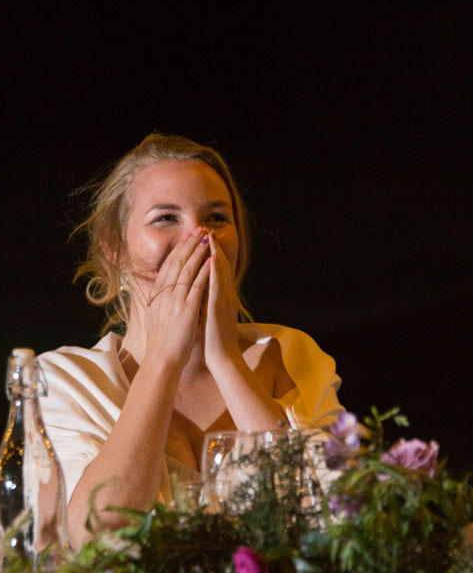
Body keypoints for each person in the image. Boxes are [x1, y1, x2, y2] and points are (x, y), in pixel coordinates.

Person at [37, 133, 343, 542]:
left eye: (216, 218)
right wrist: (164, 359)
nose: (199, 237)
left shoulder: (291, 354)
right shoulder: (66, 380)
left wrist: (227, 362)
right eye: (166, 218)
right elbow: (99, 535)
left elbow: (337, 524)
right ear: (114, 248)